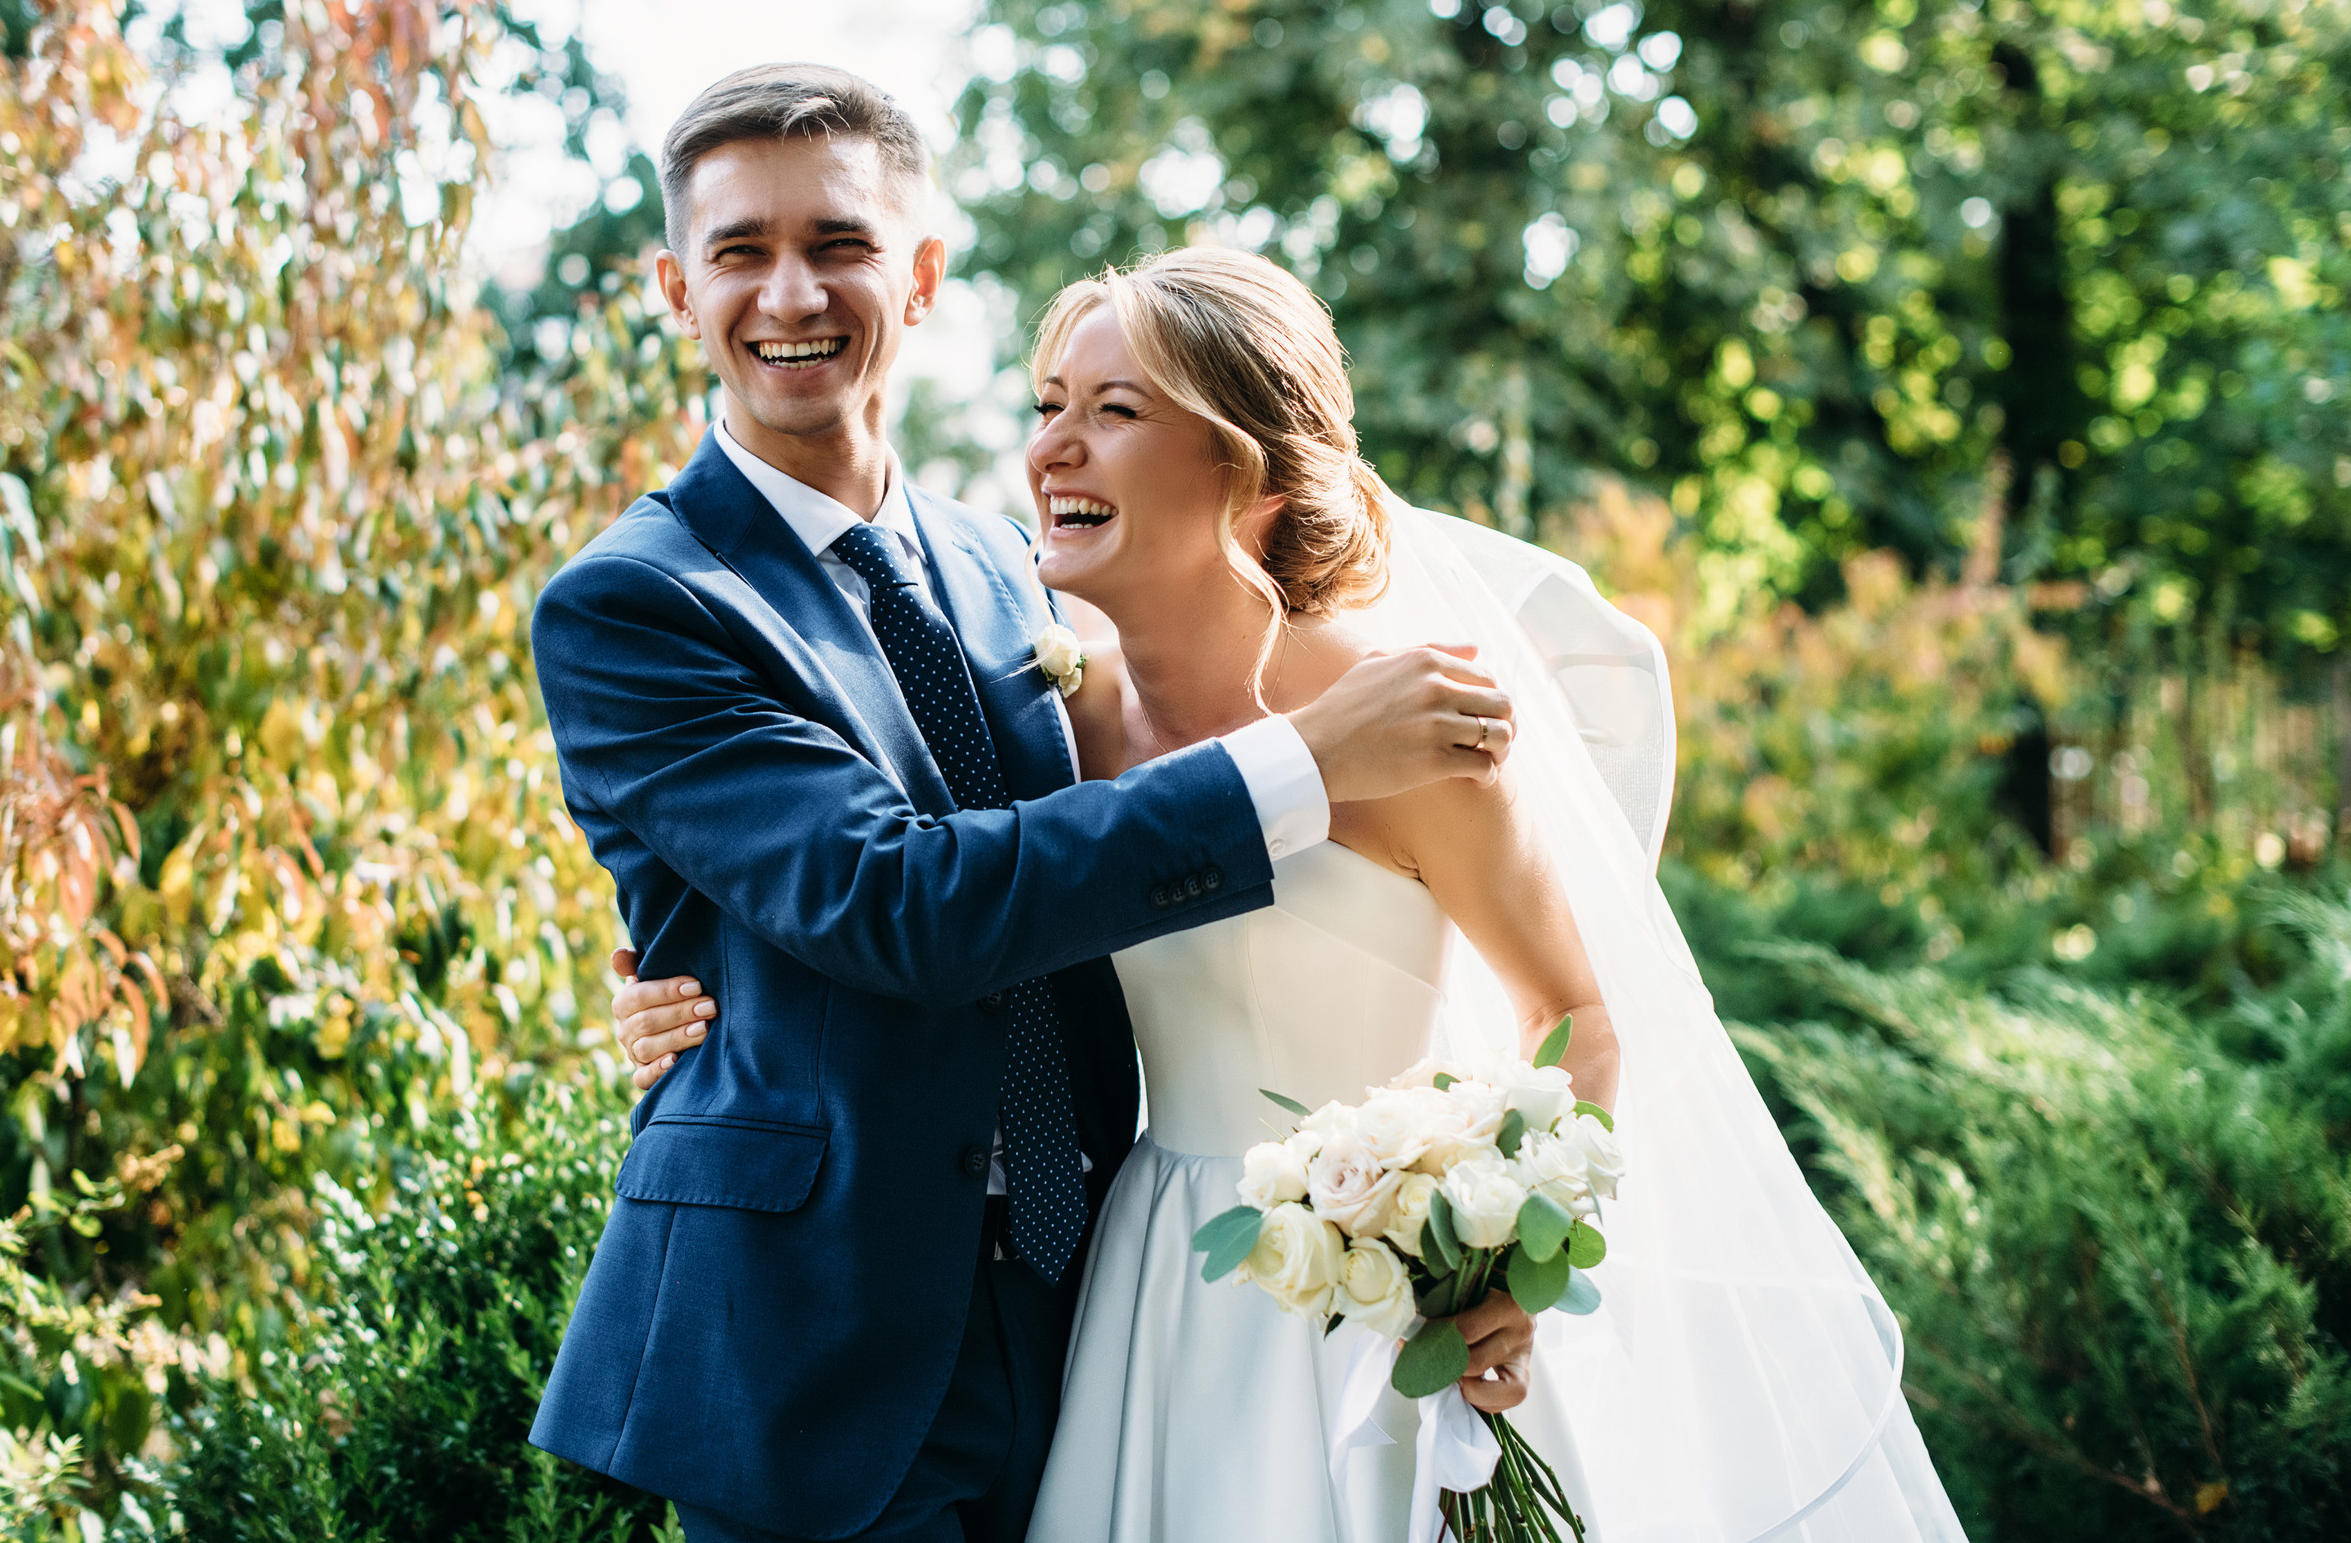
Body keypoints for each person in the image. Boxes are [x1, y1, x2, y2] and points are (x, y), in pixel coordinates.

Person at [617, 245, 1971, 1542]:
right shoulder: (1060, 713)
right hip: (1148, 1284)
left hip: (1382, 1306)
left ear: (1247, 466)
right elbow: (910, 884)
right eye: (1049, 407)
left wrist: (1507, 1253)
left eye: (1116, 412)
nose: (1052, 451)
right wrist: (704, 988)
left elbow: (1576, 1016)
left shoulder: (1411, 723)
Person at [524, 67, 1523, 1543]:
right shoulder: (637, 601)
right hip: (819, 1349)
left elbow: (1090, 863)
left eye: (840, 244)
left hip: (1099, 1321)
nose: (790, 293)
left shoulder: (1022, 571)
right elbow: (892, 902)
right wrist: (1306, 764)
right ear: (680, 288)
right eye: (740, 251)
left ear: (921, 277)